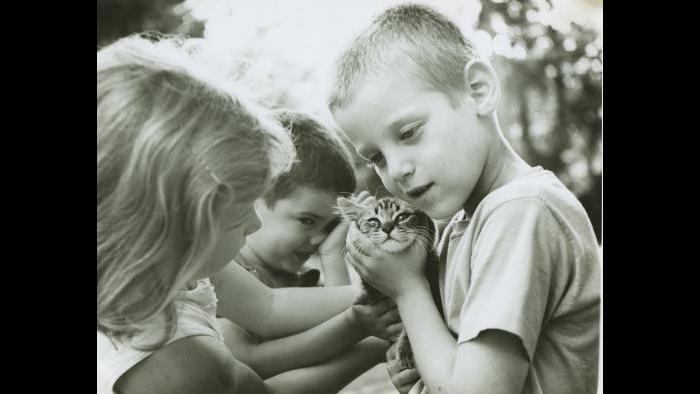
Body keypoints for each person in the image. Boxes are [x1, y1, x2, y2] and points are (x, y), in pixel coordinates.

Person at [97, 34, 396, 394]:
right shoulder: (175, 365)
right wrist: (369, 339)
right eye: (240, 215)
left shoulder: (176, 268)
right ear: (186, 222)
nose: (253, 224)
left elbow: (269, 308)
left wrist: (391, 291)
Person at [328, 4, 601, 393]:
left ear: (478, 90)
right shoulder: (463, 224)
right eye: (376, 158)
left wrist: (408, 289)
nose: (397, 169)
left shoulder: (522, 212)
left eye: (408, 133)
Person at [229, 109, 357, 289]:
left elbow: (351, 314)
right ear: (252, 197)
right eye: (308, 220)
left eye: (331, 226)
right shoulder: (219, 273)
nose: (319, 240)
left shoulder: (308, 280)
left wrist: (333, 256)